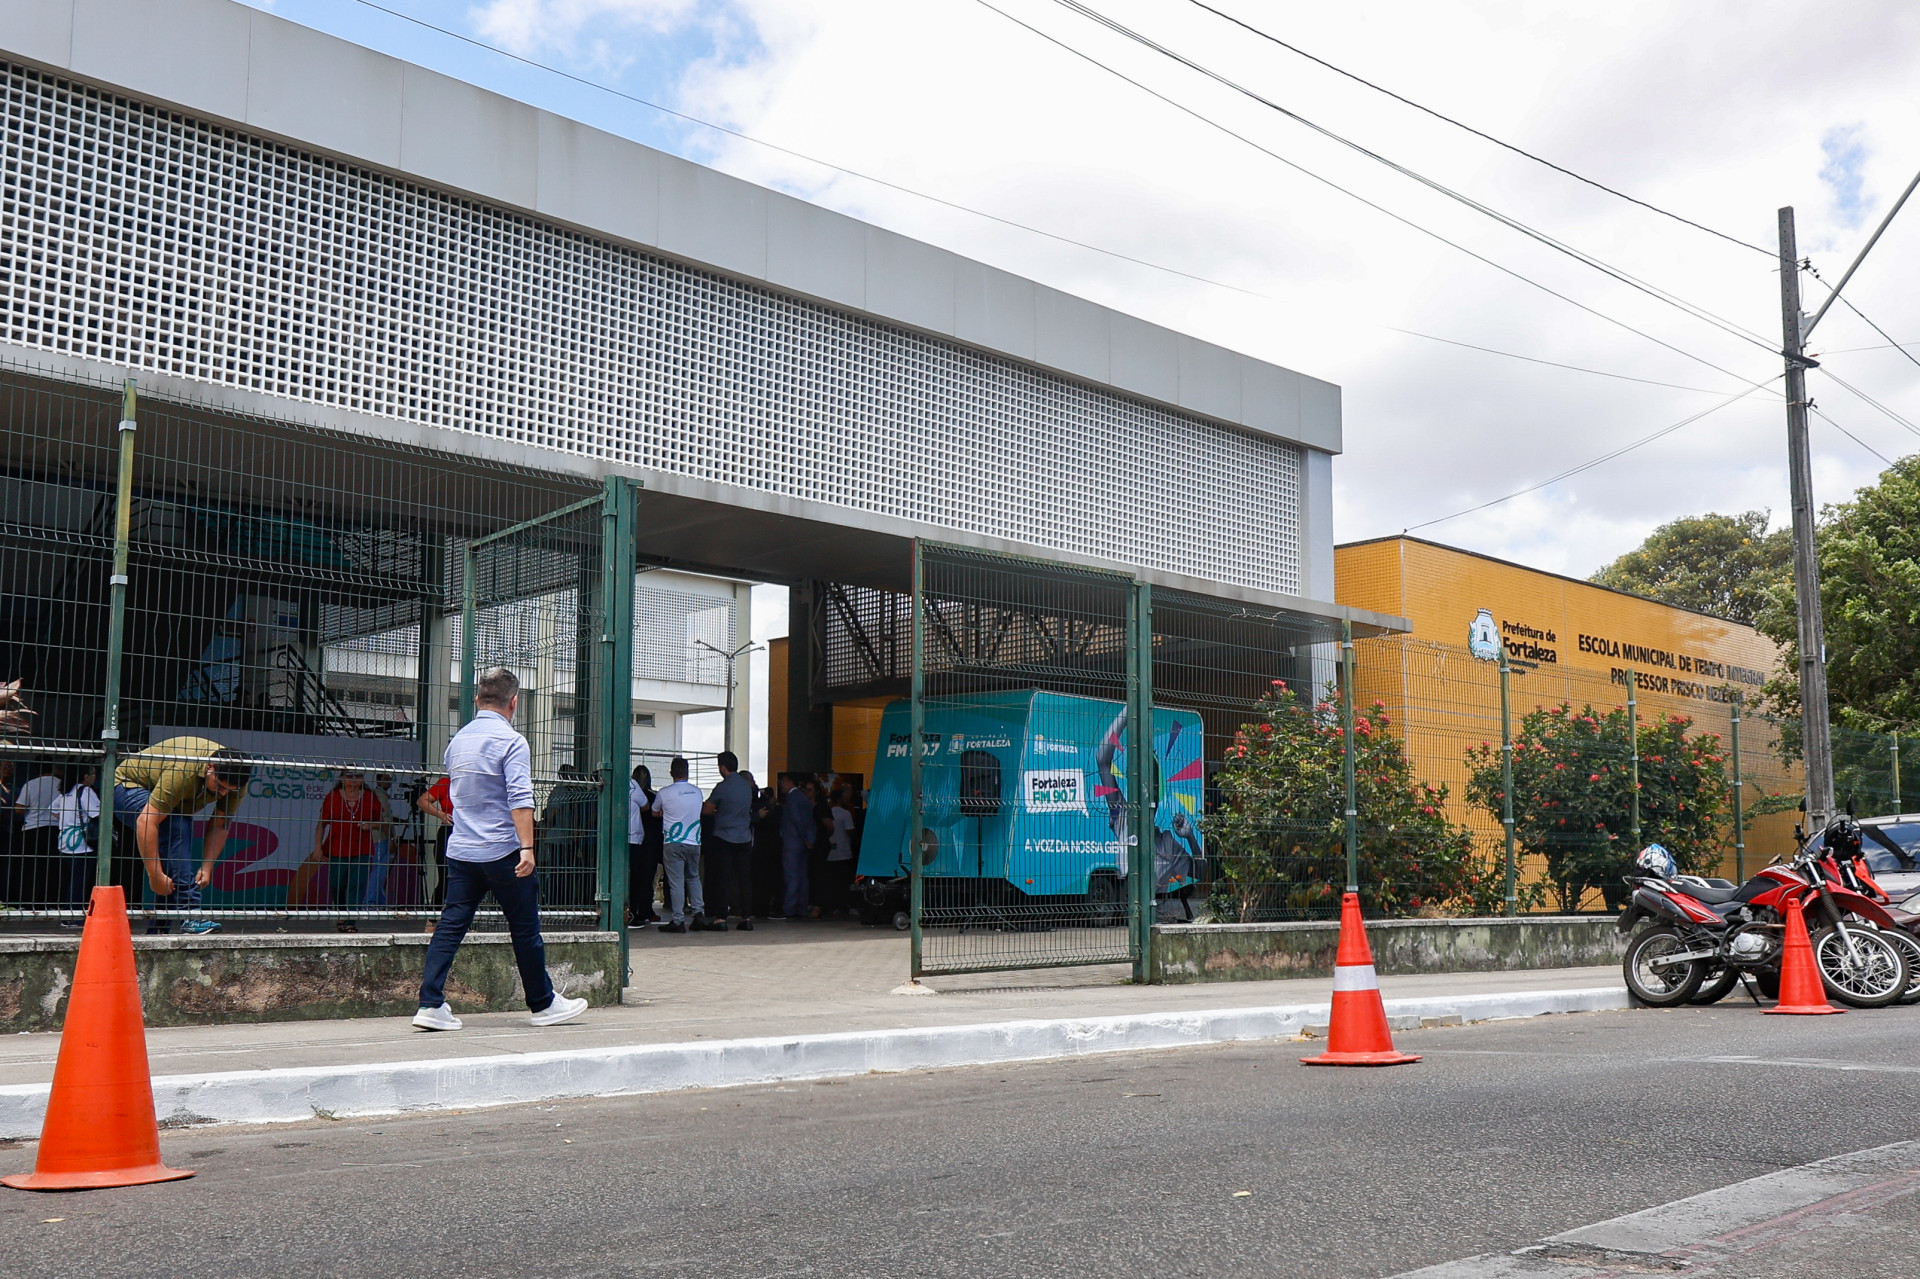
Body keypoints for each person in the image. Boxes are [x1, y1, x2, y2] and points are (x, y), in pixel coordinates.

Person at [413, 666, 587, 1031]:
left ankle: (430, 1004)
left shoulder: (457, 740)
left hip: (462, 850)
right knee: (524, 929)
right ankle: (542, 1004)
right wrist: (527, 847)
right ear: (515, 702)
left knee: (450, 925)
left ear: (477, 699)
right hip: (503, 851)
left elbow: (460, 794)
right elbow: (520, 800)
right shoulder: (512, 741)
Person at [111, 736, 251, 935]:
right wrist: (155, 875)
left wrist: (207, 865)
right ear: (210, 767)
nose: (221, 794)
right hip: (126, 786)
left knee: (177, 843)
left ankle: (158, 931)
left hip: (171, 800)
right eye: (219, 786)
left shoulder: (237, 780)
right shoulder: (183, 771)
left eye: (228, 791)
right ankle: (190, 913)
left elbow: (220, 825)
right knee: (175, 825)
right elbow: (146, 821)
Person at [310, 770, 382, 932]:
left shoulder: (370, 797)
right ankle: (341, 911)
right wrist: (317, 847)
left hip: (361, 848)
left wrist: (369, 825)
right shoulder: (333, 796)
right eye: (349, 776)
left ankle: (350, 920)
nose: (354, 779)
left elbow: (381, 822)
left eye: (358, 776)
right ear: (342, 778)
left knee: (357, 885)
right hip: (337, 848)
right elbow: (322, 824)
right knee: (337, 884)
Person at [651, 756, 715, 933]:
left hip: (673, 842)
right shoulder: (697, 792)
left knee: (676, 882)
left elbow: (655, 812)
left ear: (671, 773)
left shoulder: (664, 793)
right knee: (694, 877)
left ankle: (678, 921)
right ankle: (698, 914)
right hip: (694, 842)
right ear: (687, 772)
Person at [701, 750, 756, 931]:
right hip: (744, 837)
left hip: (724, 837)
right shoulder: (746, 786)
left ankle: (721, 918)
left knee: (723, 878)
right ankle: (746, 917)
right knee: (744, 879)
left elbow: (707, 809)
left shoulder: (722, 787)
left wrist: (717, 810)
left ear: (723, 768)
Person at [53, 765, 100, 924]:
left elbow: (53, 809)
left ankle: (67, 915)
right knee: (79, 881)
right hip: (82, 843)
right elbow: (97, 814)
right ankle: (74, 917)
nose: (95, 777)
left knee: (71, 880)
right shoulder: (86, 792)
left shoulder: (66, 792)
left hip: (65, 841)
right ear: (85, 776)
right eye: (93, 773)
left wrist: (67, 820)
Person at [16, 759, 63, 907]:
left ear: (36, 770)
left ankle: (31, 902)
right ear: (53, 767)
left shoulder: (30, 784)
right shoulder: (62, 784)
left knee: (32, 868)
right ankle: (52, 902)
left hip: (33, 830)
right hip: (56, 829)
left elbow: (19, 809)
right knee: (54, 868)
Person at [627, 764, 662, 926]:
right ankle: (647, 910)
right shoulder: (653, 798)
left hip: (634, 841)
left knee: (632, 878)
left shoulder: (627, 792)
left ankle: (632, 911)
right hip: (650, 844)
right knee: (647, 879)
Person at [416, 772, 453, 927]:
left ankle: (461, 922)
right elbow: (423, 801)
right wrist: (441, 814)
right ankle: (432, 919)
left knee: (469, 879)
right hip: (450, 831)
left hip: (473, 833)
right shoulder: (447, 781)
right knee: (446, 878)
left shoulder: (480, 781)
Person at [777, 771, 813, 920]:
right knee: (802, 876)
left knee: (791, 876)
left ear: (788, 781)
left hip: (792, 841)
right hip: (802, 843)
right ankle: (802, 907)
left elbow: (797, 819)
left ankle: (789, 909)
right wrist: (808, 838)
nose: (781, 785)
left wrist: (802, 835)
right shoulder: (803, 797)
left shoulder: (792, 798)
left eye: (782, 782)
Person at [820, 784, 857, 917]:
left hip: (830, 853)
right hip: (845, 852)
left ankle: (833, 905)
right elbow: (850, 830)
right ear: (840, 799)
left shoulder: (827, 813)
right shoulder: (845, 813)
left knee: (832, 881)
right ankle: (846, 905)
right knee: (845, 881)